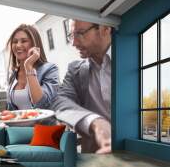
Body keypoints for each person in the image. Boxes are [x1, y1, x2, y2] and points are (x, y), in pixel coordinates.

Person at [50, 20, 112, 154]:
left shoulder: (134, 58)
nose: (74, 43)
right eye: (72, 35)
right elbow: (60, 101)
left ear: (105, 29)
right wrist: (94, 122)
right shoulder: (75, 69)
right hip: (95, 155)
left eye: (80, 33)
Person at [6, 24, 59, 110]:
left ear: (34, 44)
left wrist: (28, 66)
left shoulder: (50, 69)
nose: (18, 45)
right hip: (19, 123)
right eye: (15, 42)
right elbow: (12, 110)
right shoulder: (13, 75)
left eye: (24, 41)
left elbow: (42, 103)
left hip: (44, 123)